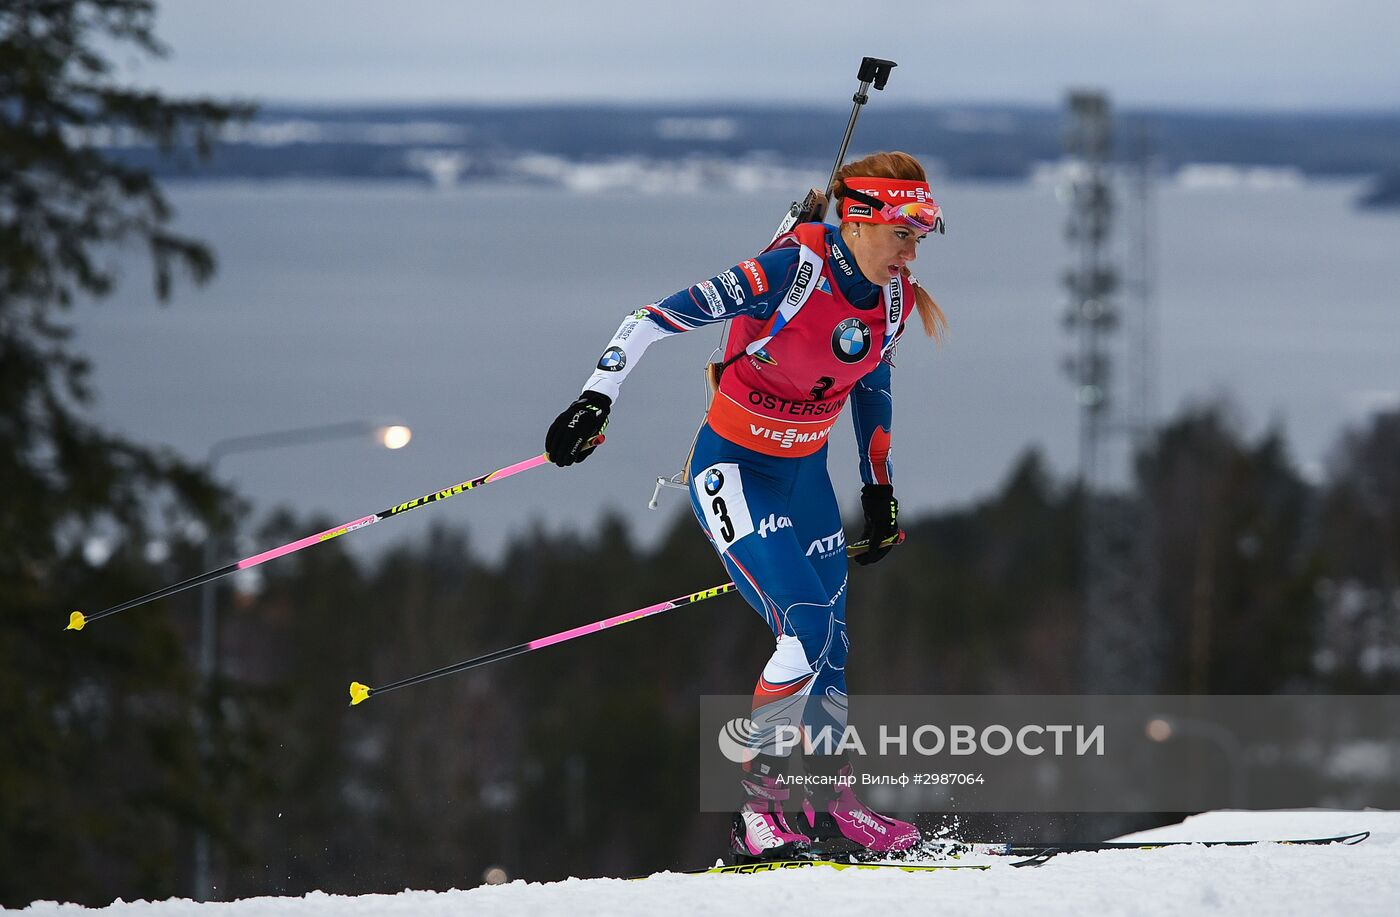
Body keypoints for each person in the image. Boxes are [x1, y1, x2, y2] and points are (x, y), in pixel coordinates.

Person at [545, 151, 946, 860]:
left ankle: (835, 802)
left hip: (806, 479)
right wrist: (593, 396)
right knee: (806, 630)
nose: (911, 252)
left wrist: (877, 487)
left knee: (834, 647)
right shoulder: (789, 271)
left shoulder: (894, 300)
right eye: (901, 233)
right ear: (857, 221)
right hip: (733, 472)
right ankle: (757, 813)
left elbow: (873, 384)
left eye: (920, 236)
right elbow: (650, 317)